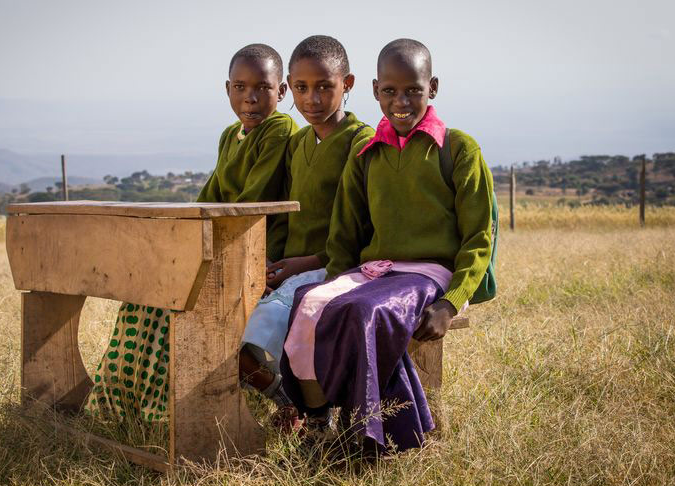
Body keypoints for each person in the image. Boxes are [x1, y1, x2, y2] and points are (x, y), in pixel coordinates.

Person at [281, 39, 495, 452]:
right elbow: (345, 234)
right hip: (375, 271)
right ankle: (318, 422)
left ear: (432, 88)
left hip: (429, 274)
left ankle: (373, 435)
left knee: (362, 312)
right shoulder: (365, 154)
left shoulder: (458, 149)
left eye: (413, 89)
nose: (401, 101)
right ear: (376, 89)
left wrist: (450, 304)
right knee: (308, 301)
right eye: (391, 91)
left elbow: (478, 237)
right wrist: (333, 285)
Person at [85, 43, 296, 422]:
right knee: (148, 296)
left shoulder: (279, 128)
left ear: (281, 92)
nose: (250, 98)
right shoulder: (230, 135)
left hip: (255, 249)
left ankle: (274, 393)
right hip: (221, 245)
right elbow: (210, 197)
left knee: (188, 304)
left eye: (262, 88)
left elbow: (250, 204)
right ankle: (138, 399)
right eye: (240, 86)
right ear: (227, 89)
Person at [238, 36, 374, 430]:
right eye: (300, 88)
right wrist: (268, 260)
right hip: (287, 266)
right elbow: (280, 212)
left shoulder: (360, 141)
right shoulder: (297, 143)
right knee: (221, 320)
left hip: (333, 267)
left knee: (253, 337)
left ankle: (312, 414)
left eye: (323, 87)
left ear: (346, 84)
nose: (311, 99)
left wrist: (310, 262)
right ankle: (290, 401)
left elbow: (360, 224)